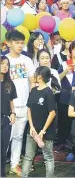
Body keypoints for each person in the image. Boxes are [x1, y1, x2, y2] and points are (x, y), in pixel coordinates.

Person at [6, 31, 35, 176]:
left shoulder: (27, 60)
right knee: (5, 137)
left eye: (21, 42)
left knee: (18, 137)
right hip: (7, 107)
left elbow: (32, 81)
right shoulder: (3, 60)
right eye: (16, 42)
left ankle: (14, 164)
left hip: (24, 105)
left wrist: (31, 102)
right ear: (8, 43)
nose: (19, 45)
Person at [22, 66, 59, 177]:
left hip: (45, 132)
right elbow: (29, 108)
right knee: (28, 156)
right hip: (32, 130)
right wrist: (32, 127)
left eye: (35, 73)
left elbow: (52, 113)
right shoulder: (33, 90)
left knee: (48, 157)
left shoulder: (48, 92)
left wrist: (43, 130)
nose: (34, 75)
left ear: (40, 77)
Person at [1, 56, 17, 177]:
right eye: (2, 63)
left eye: (7, 64)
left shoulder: (9, 83)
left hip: (5, 119)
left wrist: (13, 113)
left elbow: (11, 100)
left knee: (3, 150)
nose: (5, 66)